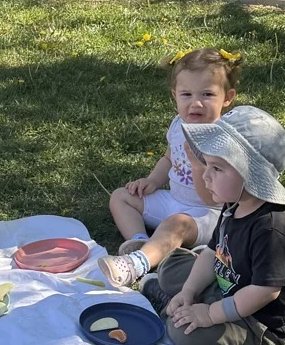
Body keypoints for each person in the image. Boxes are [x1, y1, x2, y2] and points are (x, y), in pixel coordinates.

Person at [140, 105, 285, 345]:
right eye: (207, 165)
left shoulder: (271, 227)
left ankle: (174, 306)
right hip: (227, 287)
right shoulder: (233, 206)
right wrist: (189, 292)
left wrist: (210, 314)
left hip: (257, 320)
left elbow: (265, 291)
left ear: (251, 177)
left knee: (182, 334)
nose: (205, 176)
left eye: (217, 168)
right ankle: (180, 299)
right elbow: (211, 252)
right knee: (172, 264)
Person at [100, 46, 241, 287]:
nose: (195, 103)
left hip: (209, 216)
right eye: (186, 95)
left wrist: (198, 165)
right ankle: (140, 242)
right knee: (121, 197)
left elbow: (212, 199)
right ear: (174, 95)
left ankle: (137, 264)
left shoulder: (221, 137)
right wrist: (153, 181)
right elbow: (168, 159)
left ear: (227, 98)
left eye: (207, 95)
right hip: (175, 201)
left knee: (178, 224)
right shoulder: (178, 124)